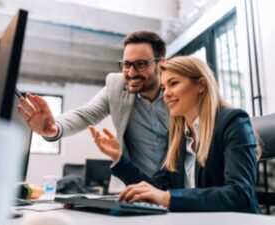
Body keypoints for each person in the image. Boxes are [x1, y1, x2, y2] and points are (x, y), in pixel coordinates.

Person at [89, 56, 261, 213]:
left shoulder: (234, 122)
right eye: (164, 87)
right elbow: (156, 188)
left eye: (174, 83)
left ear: (201, 85)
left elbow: (240, 194)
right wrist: (119, 158)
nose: (166, 94)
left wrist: (169, 198)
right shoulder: (179, 136)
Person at [17, 31, 169, 177]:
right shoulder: (116, 85)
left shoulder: (180, 91)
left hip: (178, 190)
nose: (131, 73)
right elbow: (85, 115)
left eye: (141, 64)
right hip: (135, 187)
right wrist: (54, 128)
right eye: (126, 64)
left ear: (161, 64)